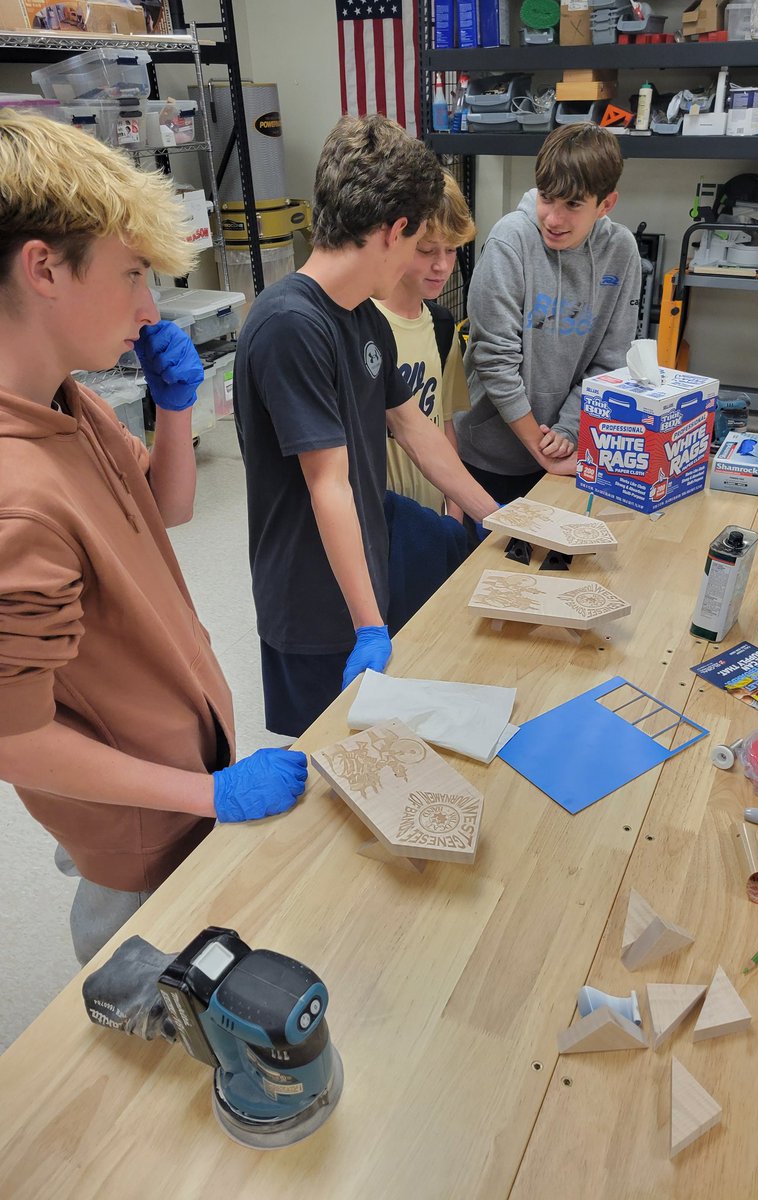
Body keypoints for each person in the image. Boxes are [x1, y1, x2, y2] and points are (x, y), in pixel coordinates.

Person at [0, 112, 308, 966]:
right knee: (138, 977)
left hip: (174, 764)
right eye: (133, 273)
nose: (148, 306)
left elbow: (165, 508)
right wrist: (208, 795)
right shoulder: (17, 500)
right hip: (141, 819)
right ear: (43, 269)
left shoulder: (70, 400)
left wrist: (177, 412)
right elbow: (14, 739)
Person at [233, 115, 498, 740]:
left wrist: (499, 516)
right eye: (418, 244)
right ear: (394, 230)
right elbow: (327, 482)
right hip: (314, 598)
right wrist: (368, 624)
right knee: (325, 764)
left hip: (359, 580)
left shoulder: (360, 317)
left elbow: (414, 428)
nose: (418, 264)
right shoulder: (291, 326)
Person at [454, 123, 642, 505]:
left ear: (606, 204)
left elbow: (610, 362)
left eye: (572, 205)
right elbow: (495, 360)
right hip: (487, 457)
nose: (553, 219)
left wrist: (569, 430)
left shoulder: (621, 251)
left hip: (564, 451)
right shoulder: (510, 240)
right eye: (547, 197)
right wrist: (541, 448)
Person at [373, 169, 475, 520]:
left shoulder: (442, 327)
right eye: (426, 250)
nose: (442, 266)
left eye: (452, 250)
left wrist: (454, 513)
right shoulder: (362, 324)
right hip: (379, 520)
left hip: (433, 517)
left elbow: (445, 425)